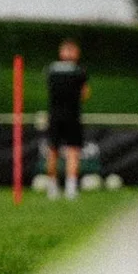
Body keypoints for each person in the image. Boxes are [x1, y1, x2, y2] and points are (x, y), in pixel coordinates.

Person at [43, 39, 89, 199]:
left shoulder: (51, 70)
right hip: (72, 116)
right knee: (73, 151)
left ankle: (52, 187)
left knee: (53, 151)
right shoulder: (80, 71)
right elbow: (85, 94)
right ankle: (70, 187)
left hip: (54, 115)